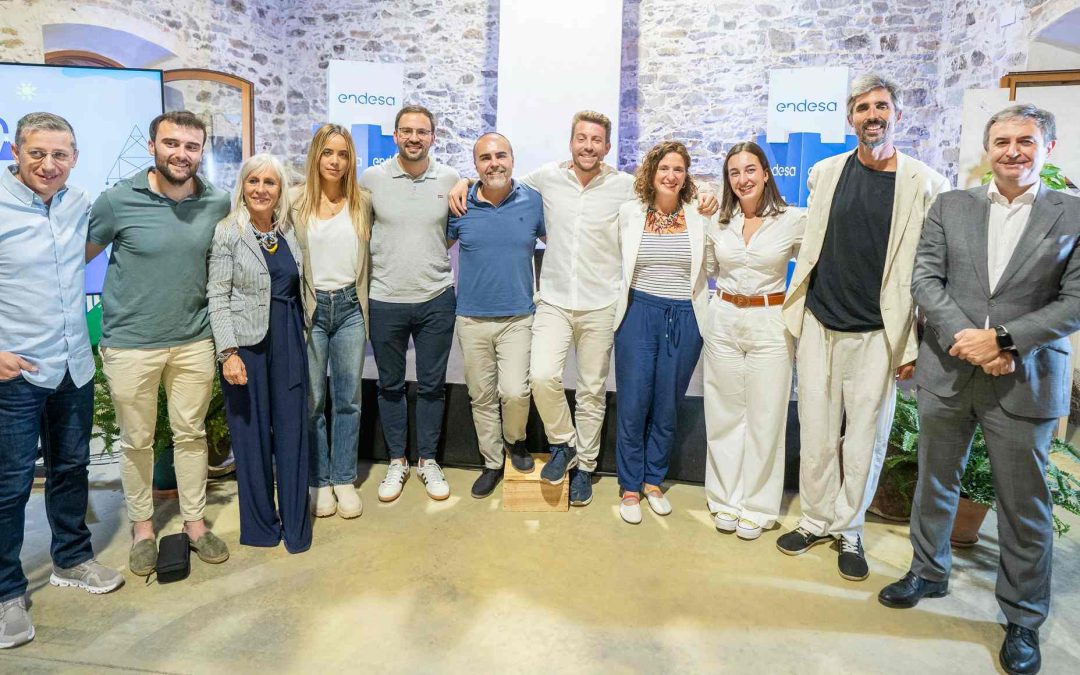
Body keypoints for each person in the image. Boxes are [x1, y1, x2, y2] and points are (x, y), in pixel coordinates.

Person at [879, 104, 1080, 675]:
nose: (1012, 150)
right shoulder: (951, 205)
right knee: (935, 481)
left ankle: (1022, 616)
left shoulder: (1073, 213)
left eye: (1025, 140)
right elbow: (926, 278)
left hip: (1026, 378)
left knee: (1024, 505)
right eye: (1001, 141)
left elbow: (1076, 299)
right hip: (950, 369)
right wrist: (969, 341)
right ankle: (928, 570)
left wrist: (1007, 342)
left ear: (1049, 147)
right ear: (987, 149)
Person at [449, 112, 717, 507]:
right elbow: (499, 178)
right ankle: (564, 444)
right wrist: (464, 180)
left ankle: (586, 469)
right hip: (555, 300)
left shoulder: (626, 187)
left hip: (602, 303)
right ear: (571, 143)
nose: (588, 146)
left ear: (607, 147)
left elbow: (670, 189)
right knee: (541, 377)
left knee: (591, 390)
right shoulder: (546, 178)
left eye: (596, 140)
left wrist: (705, 191)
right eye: (581, 139)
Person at [777, 74, 949, 580]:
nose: (872, 115)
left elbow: (933, 265)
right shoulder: (825, 172)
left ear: (897, 113)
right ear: (849, 117)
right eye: (862, 108)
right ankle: (814, 519)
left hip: (880, 332)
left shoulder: (925, 183)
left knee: (864, 439)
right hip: (819, 322)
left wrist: (916, 341)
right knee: (817, 430)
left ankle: (849, 529)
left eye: (881, 107)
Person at [86, 110, 231, 575]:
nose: (181, 154)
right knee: (136, 441)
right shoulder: (116, 202)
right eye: (172, 144)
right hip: (131, 343)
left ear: (200, 152)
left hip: (193, 341)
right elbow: (73, 257)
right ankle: (143, 528)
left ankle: (193, 523)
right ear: (153, 146)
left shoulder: (216, 202)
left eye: (191, 146)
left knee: (191, 436)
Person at [0, 113, 123, 649]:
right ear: (16, 150)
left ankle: (71, 558)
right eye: (37, 154)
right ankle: (6, 591)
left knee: (72, 467)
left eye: (60, 155)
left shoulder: (79, 204)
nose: (49, 165)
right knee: (8, 487)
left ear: (74, 156)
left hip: (74, 363)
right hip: (18, 373)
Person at [207, 153, 313, 553]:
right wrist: (228, 352)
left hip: (288, 340)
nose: (261, 189)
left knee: (291, 434)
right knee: (250, 439)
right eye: (253, 181)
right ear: (242, 186)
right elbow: (217, 294)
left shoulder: (288, 231)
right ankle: (261, 527)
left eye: (270, 183)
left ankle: (297, 526)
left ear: (281, 190)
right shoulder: (227, 232)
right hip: (245, 347)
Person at [703, 142, 804, 540]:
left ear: (765, 173)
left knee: (766, 416)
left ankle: (759, 506)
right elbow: (708, 267)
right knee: (724, 414)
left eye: (750, 170)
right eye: (734, 173)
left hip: (770, 322)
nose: (742, 179)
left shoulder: (793, 219)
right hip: (724, 317)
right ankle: (725, 499)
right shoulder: (719, 222)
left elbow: (814, 264)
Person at [360, 105, 460, 502]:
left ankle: (427, 460)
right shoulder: (372, 179)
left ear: (433, 137)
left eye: (422, 131)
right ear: (395, 136)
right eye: (406, 131)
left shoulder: (450, 178)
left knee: (433, 385)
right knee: (389, 385)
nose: (414, 138)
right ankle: (397, 461)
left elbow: (451, 231)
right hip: (385, 297)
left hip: (436, 297)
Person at [612, 141, 710, 524]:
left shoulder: (699, 216)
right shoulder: (630, 213)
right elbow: (611, 262)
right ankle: (631, 486)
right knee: (634, 402)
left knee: (668, 403)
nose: (671, 176)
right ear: (652, 173)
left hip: (685, 318)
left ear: (686, 177)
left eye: (679, 170)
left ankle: (654, 480)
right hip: (638, 312)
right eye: (664, 168)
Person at [447, 133, 545, 498]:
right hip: (471, 318)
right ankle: (491, 462)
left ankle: (515, 442)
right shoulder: (461, 205)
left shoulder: (533, 201)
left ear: (513, 158)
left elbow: (564, 244)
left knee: (515, 392)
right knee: (481, 395)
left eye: (500, 155)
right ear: (475, 166)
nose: (494, 163)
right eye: (485, 158)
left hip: (519, 316)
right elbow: (435, 245)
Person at [292, 124, 372, 519]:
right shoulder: (295, 202)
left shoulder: (363, 203)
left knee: (348, 399)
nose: (335, 161)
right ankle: (319, 480)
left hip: (350, 309)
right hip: (312, 311)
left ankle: (343, 478)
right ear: (316, 156)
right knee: (313, 401)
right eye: (328, 153)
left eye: (342, 154)